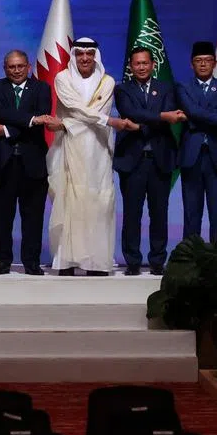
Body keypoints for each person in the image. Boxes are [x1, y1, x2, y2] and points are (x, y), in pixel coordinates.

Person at [47, 38, 137, 276]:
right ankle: (66, 261)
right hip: (70, 146)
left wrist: (66, 123)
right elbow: (76, 107)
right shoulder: (62, 78)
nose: (85, 58)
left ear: (95, 56)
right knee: (71, 201)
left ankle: (96, 262)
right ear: (74, 56)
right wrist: (110, 121)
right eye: (80, 54)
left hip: (98, 149)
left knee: (99, 202)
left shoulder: (107, 82)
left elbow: (90, 114)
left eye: (89, 53)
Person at [0, 49, 57, 275]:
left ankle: (31, 262)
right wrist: (32, 120)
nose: (16, 71)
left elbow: (42, 114)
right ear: (5, 69)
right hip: (1, 163)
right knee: (2, 217)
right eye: (11, 67)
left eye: (20, 66)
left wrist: (5, 129)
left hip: (33, 163)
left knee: (33, 217)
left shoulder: (42, 88)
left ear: (29, 67)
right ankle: (3, 261)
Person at [113, 47, 183, 275]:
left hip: (160, 159)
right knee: (132, 213)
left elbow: (168, 116)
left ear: (153, 65)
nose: (141, 67)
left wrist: (141, 125)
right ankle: (132, 261)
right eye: (137, 64)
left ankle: (157, 261)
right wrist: (159, 117)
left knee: (159, 213)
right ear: (130, 67)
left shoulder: (167, 88)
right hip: (132, 161)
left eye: (145, 63)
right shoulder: (122, 89)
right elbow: (129, 112)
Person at [175, 42, 217, 241]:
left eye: (207, 60)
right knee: (192, 214)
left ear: (215, 63)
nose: (203, 64)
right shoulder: (182, 87)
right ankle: (190, 260)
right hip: (191, 156)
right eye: (198, 61)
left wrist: (195, 118)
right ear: (192, 64)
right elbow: (193, 110)